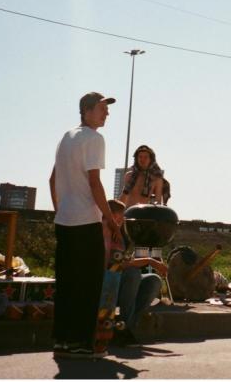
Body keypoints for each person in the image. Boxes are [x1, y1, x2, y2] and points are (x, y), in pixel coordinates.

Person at [50, 91, 122, 359]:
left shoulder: (66, 138)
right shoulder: (94, 138)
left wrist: (62, 210)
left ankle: (62, 341)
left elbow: (51, 179)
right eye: (102, 108)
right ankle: (80, 344)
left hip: (64, 222)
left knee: (67, 284)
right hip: (85, 222)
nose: (107, 113)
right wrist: (110, 219)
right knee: (88, 285)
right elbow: (95, 182)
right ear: (87, 111)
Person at [102, 199, 168, 346]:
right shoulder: (100, 233)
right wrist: (150, 261)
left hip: (118, 282)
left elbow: (122, 261)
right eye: (118, 219)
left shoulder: (118, 236)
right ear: (108, 215)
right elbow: (115, 265)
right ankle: (123, 330)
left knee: (153, 280)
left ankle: (126, 327)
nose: (120, 223)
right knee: (133, 273)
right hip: (105, 284)